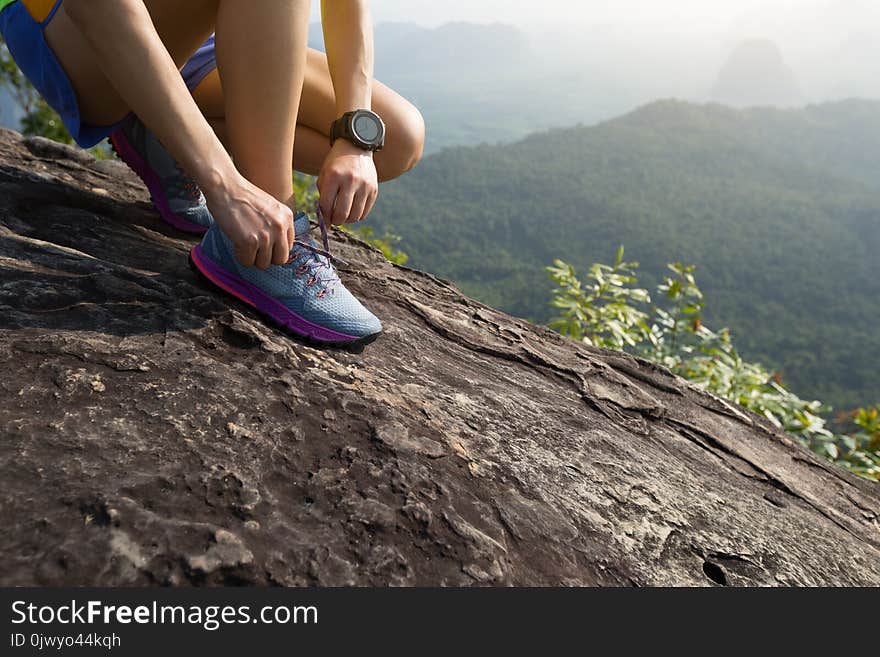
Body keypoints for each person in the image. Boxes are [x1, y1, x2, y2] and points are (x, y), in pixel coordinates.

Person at [0, 0, 425, 347]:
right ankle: (265, 246)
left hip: (201, 34)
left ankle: (160, 130)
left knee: (398, 138)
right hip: (78, 30)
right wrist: (224, 182)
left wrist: (355, 135)